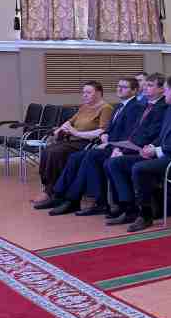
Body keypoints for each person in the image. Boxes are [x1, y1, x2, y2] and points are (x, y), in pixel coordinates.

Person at [104, 74, 171, 231]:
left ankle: (145, 215)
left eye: (165, 90)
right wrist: (150, 147)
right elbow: (162, 136)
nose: (164, 93)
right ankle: (129, 208)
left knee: (140, 168)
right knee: (116, 163)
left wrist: (158, 150)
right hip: (166, 155)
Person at [43, 77, 144, 216]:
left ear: (134, 90)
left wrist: (113, 145)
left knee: (89, 155)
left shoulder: (135, 107)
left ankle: (78, 200)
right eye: (118, 86)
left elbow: (130, 132)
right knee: (75, 157)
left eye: (124, 87)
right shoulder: (119, 106)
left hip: (120, 147)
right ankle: (61, 196)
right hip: (108, 144)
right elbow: (109, 128)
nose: (119, 89)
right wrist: (105, 135)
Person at [31, 81, 114, 207]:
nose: (84, 95)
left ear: (98, 93)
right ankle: (49, 188)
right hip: (73, 140)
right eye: (83, 92)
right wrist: (59, 130)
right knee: (48, 150)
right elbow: (69, 122)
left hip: (87, 141)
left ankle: (52, 191)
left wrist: (76, 132)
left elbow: (102, 131)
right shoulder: (84, 107)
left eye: (88, 92)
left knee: (55, 152)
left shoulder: (106, 108)